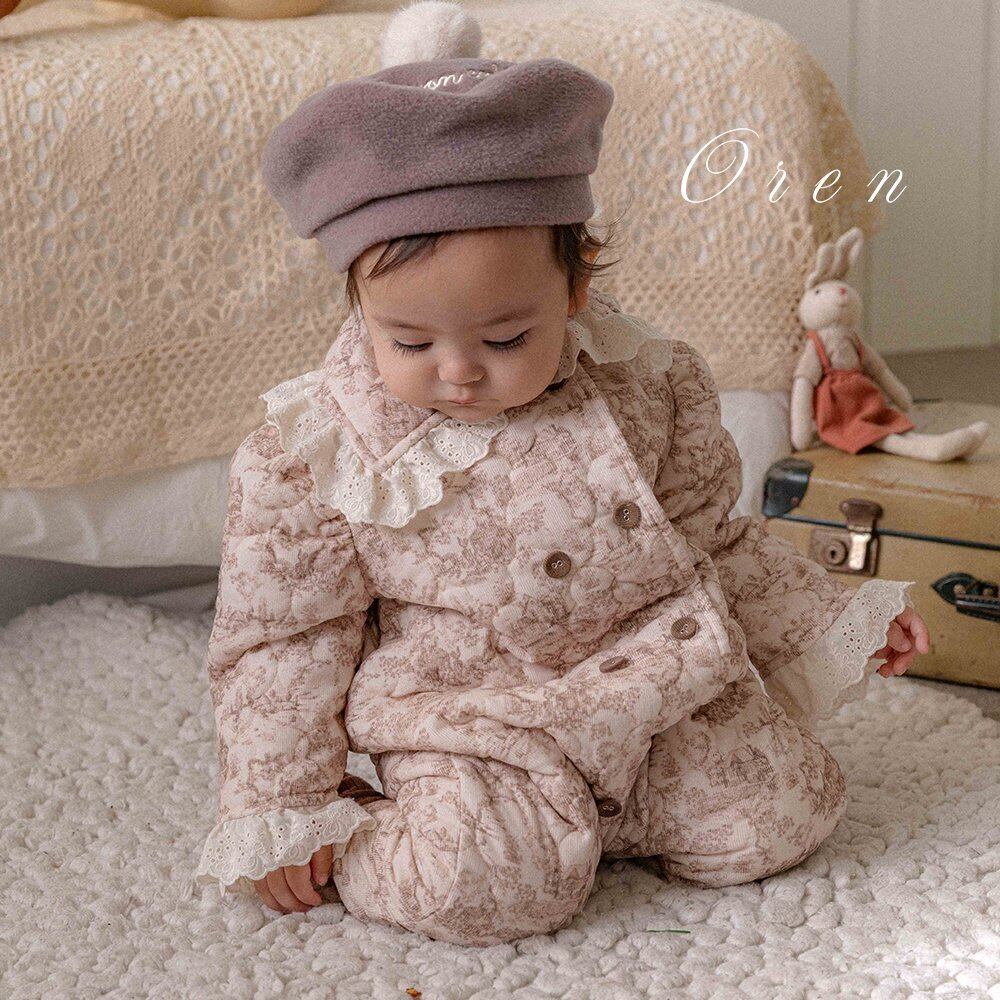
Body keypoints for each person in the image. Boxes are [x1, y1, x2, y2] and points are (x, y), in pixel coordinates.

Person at [192, 1, 930, 947]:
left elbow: (712, 541)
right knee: (475, 888)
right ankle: (403, 824)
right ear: (358, 304)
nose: (459, 372)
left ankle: (609, 822)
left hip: (655, 690)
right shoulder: (317, 451)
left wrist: (833, 618)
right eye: (409, 341)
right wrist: (284, 805)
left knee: (783, 814)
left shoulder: (647, 383)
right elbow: (284, 639)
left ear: (575, 290)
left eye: (506, 337)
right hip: (473, 720)